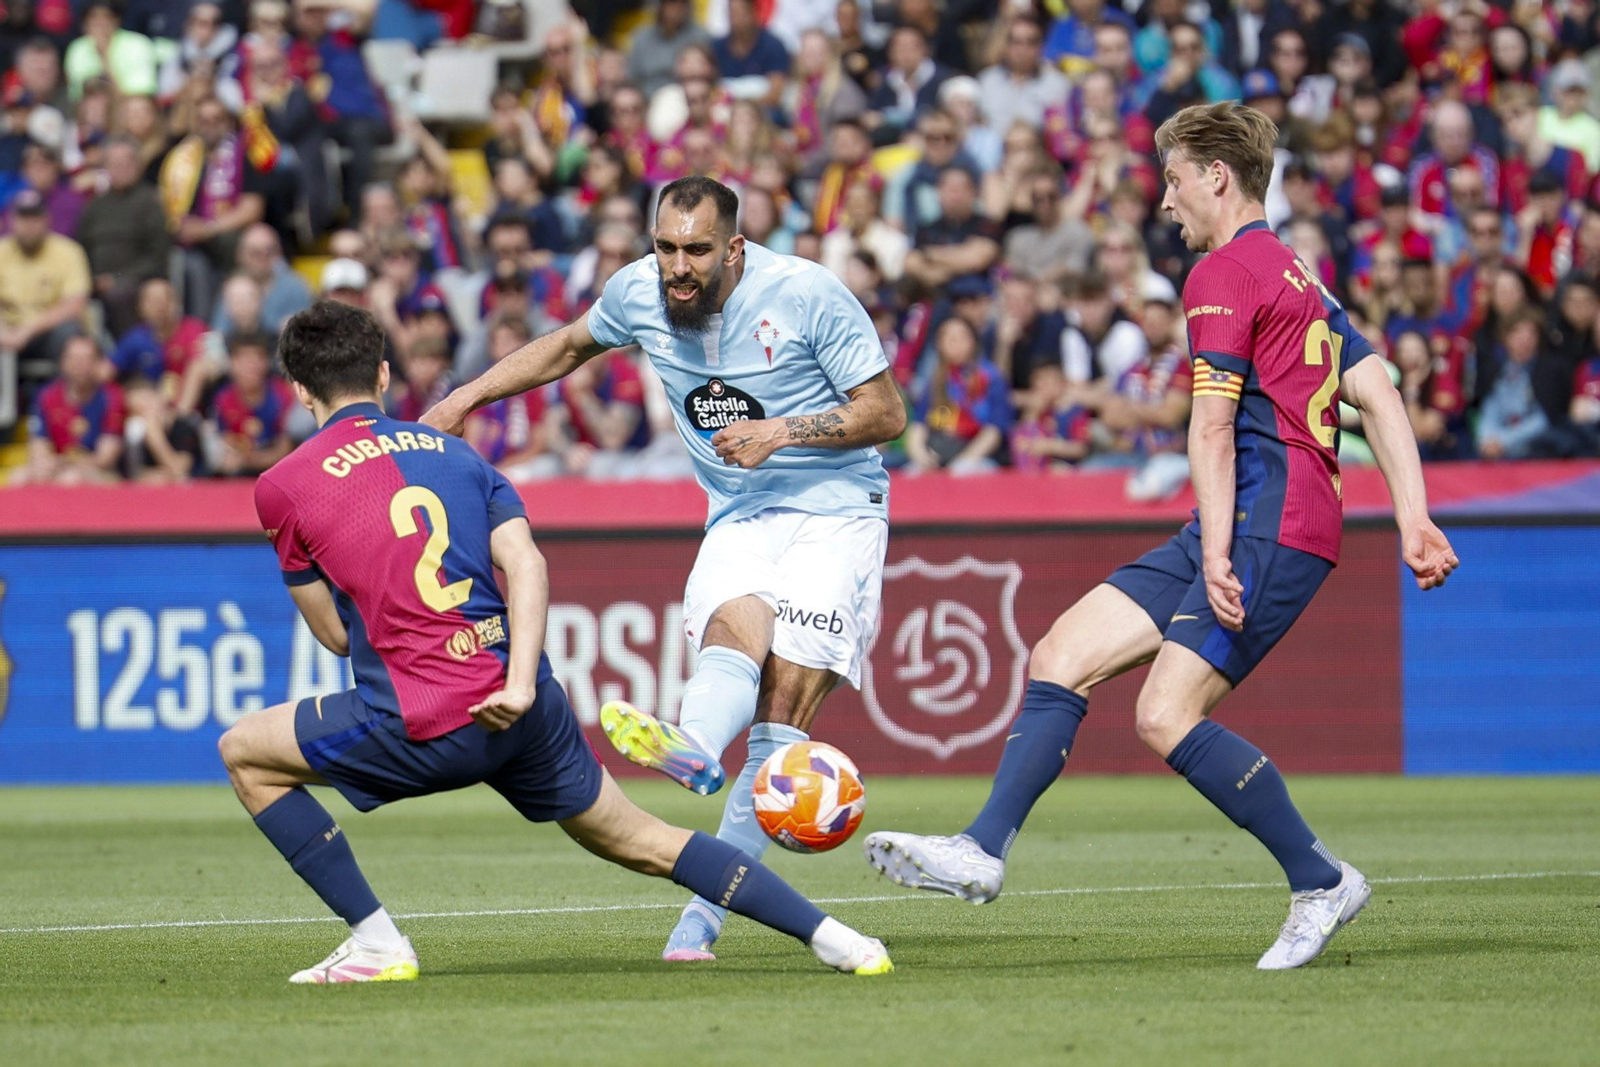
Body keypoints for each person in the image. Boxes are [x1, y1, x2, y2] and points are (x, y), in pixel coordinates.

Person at [863, 102, 1460, 970]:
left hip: (1269, 520)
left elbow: (1211, 429)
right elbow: (1380, 391)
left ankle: (1320, 878)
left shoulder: (1222, 274)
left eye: (1175, 180)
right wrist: (1413, 515)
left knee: (1163, 714)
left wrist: (1217, 550)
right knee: (1060, 651)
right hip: (1249, 515)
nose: (1166, 202)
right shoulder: (1298, 275)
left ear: (1217, 175)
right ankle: (982, 848)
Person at [217, 299, 892, 984]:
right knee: (644, 839)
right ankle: (838, 936)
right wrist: (515, 683)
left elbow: (333, 635)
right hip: (524, 707)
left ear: (300, 390)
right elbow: (529, 565)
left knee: (245, 753)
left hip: (421, 717)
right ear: (385, 374)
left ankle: (377, 941)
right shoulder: (459, 455)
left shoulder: (283, 486)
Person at [422, 176, 905, 963]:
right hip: (740, 513)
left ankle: (702, 919)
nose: (677, 267)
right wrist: (464, 397)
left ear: (734, 248)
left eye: (696, 251)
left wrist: (780, 429)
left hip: (837, 509)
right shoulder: (639, 292)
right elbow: (570, 345)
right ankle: (693, 745)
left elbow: (887, 412)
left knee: (781, 717)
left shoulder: (808, 293)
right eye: (666, 247)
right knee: (731, 627)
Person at [18, 334, 124, 485]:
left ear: (98, 363)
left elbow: (105, 458)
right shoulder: (46, 396)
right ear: (62, 362)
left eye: (86, 359)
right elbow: (38, 446)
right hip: (57, 467)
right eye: (73, 358)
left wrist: (66, 462)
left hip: (97, 472)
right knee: (20, 478)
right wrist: (48, 465)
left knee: (71, 480)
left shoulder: (112, 396)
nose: (79, 365)